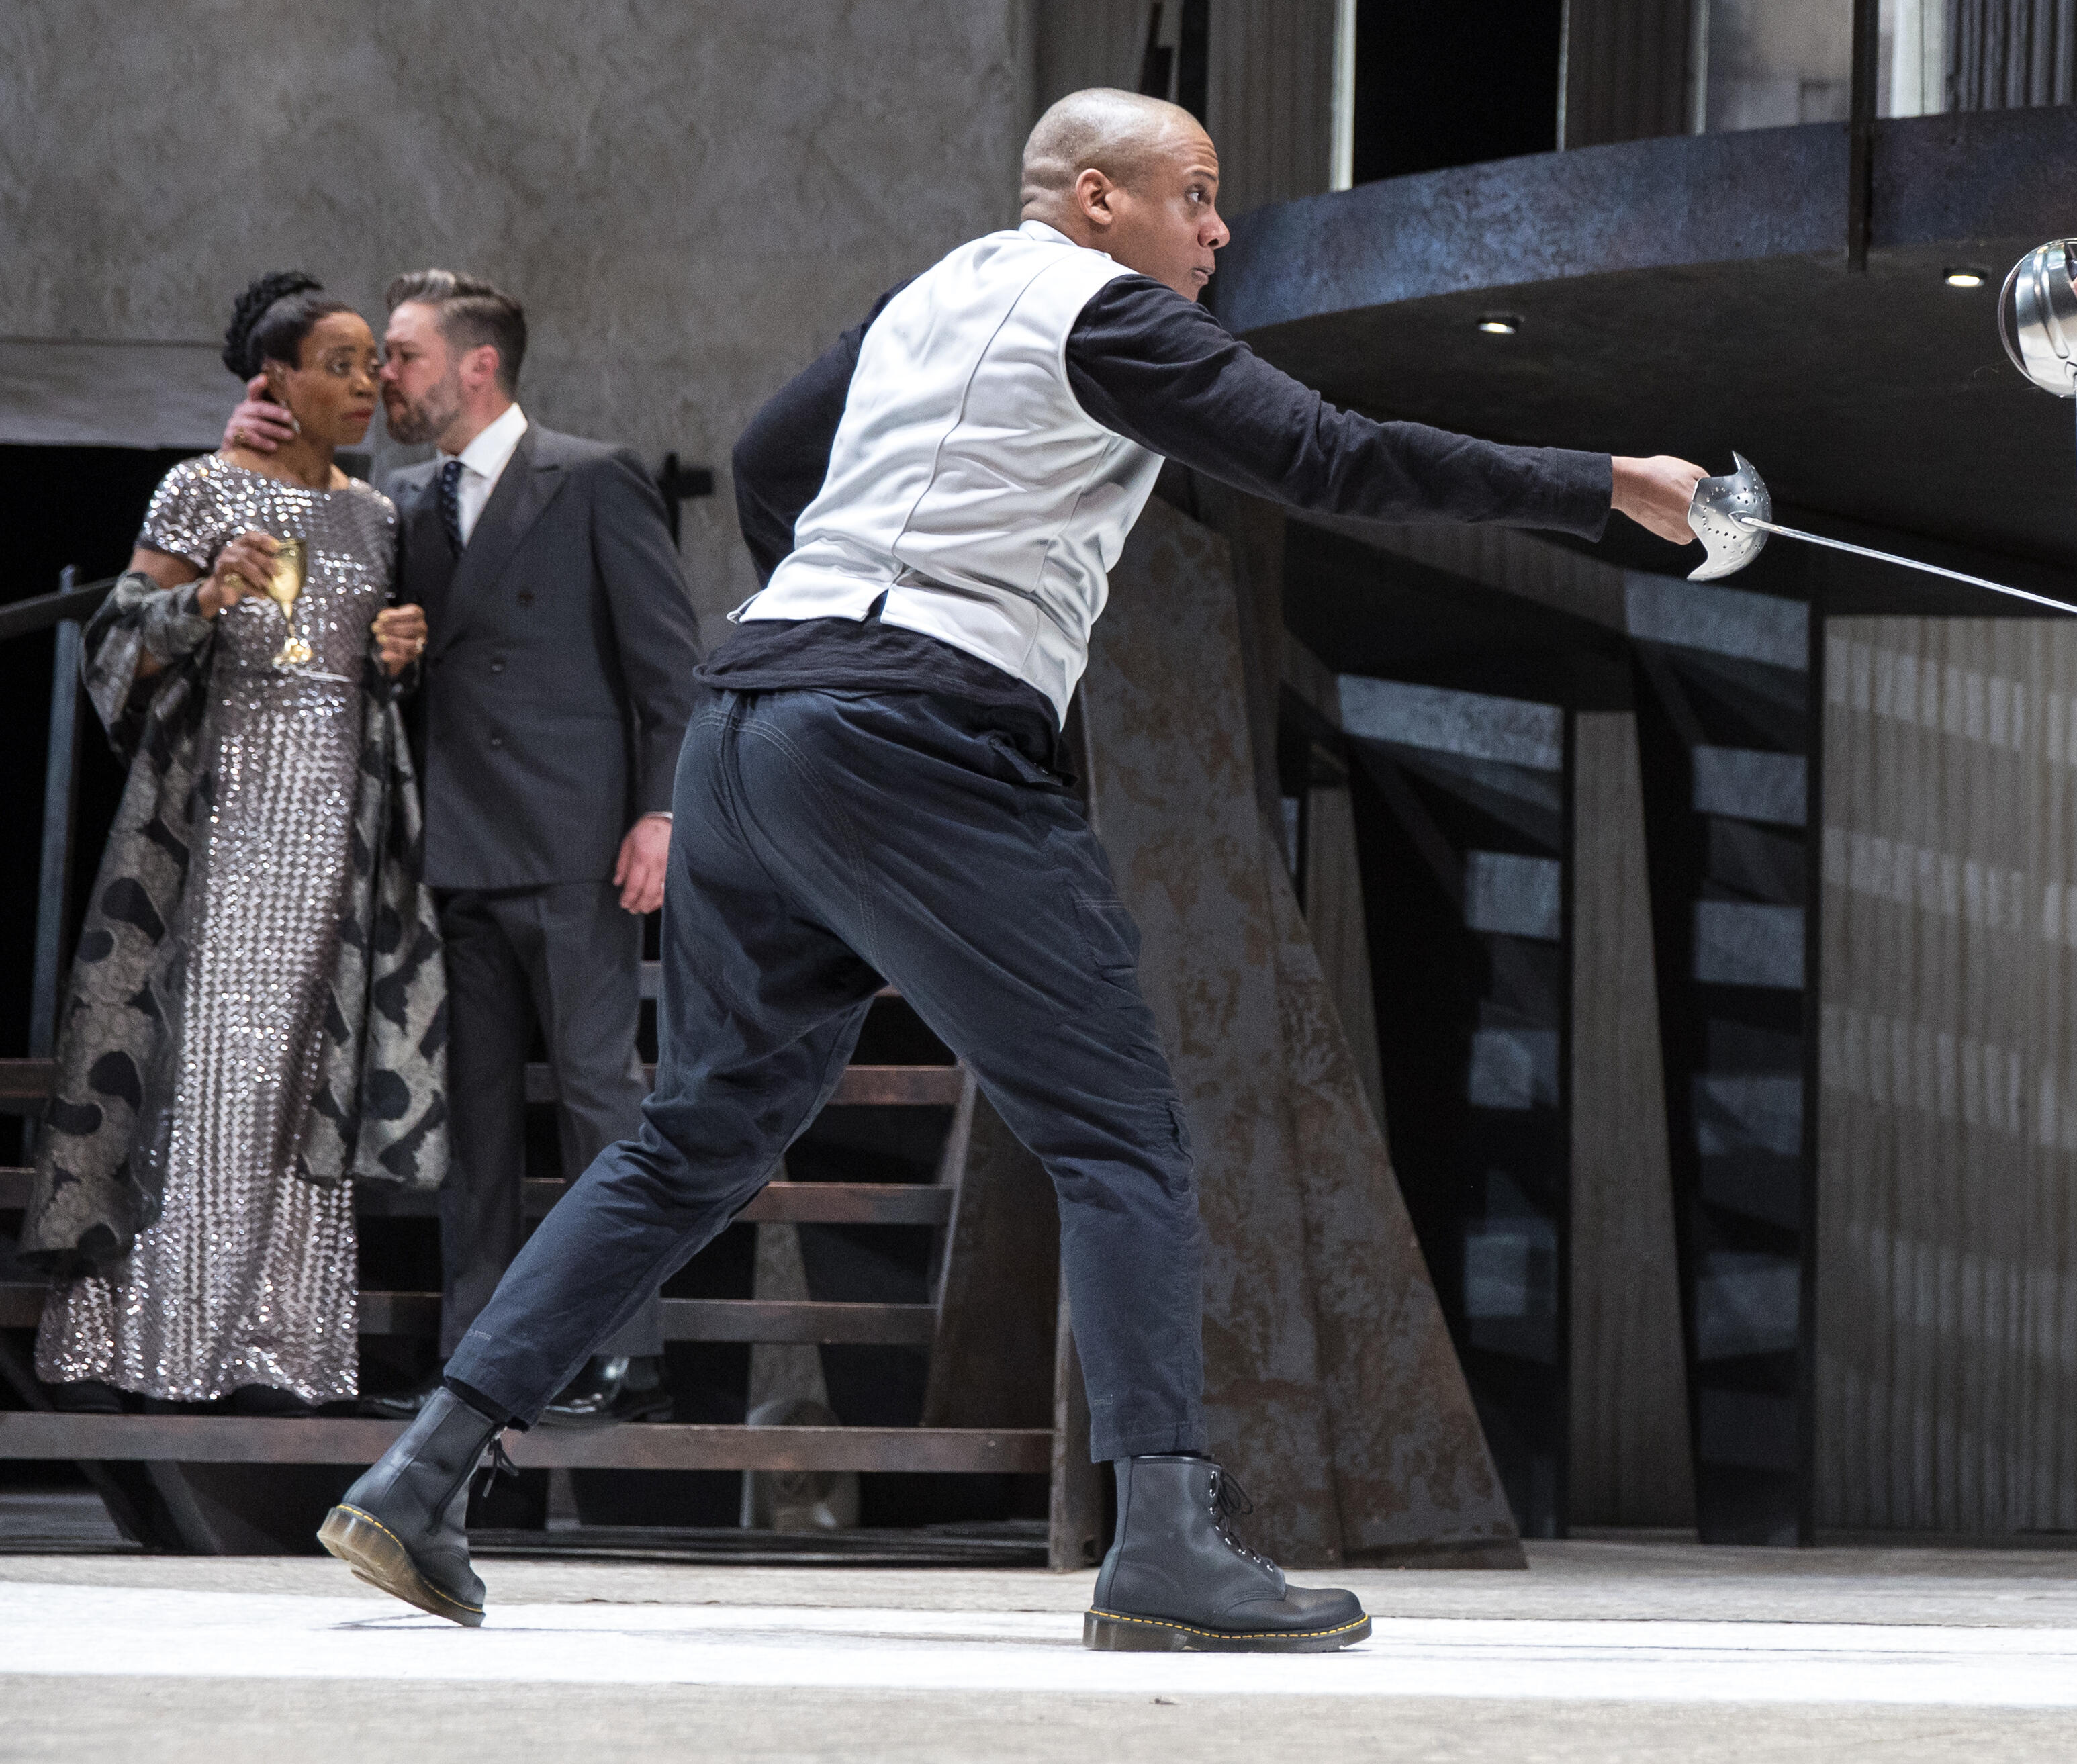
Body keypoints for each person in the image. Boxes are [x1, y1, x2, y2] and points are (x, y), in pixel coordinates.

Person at [321, 89, 1709, 1646]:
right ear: (1100, 198)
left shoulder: (929, 292)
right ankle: (1169, 1541)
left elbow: (769, 452)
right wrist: (1597, 482)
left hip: (748, 728)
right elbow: (1332, 457)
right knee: (1120, 1133)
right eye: (1196, 192)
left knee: (693, 1134)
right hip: (914, 745)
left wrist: (845, 599)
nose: (1218, 228)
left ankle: (425, 1467)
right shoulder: (1110, 315)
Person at [231, 271, 702, 1425]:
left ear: (477, 365)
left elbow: (667, 666)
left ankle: (620, 1345)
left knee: (600, 1095)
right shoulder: (397, 498)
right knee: (473, 1122)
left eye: (402, 354)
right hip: (453, 849)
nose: (383, 375)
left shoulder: (589, 478)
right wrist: (244, 442)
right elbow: (315, 579)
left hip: (575, 843)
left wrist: (664, 813)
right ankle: (478, 1356)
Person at [19, 274, 447, 1412]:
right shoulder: (202, 488)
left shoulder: (377, 514)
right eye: (342, 364)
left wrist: (399, 656)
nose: (365, 385)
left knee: (310, 1084)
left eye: (374, 365)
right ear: (278, 381)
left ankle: (285, 1354)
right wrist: (202, 596)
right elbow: (116, 650)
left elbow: (361, 677)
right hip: (222, 836)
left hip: (337, 846)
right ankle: (167, 1347)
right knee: (210, 1073)